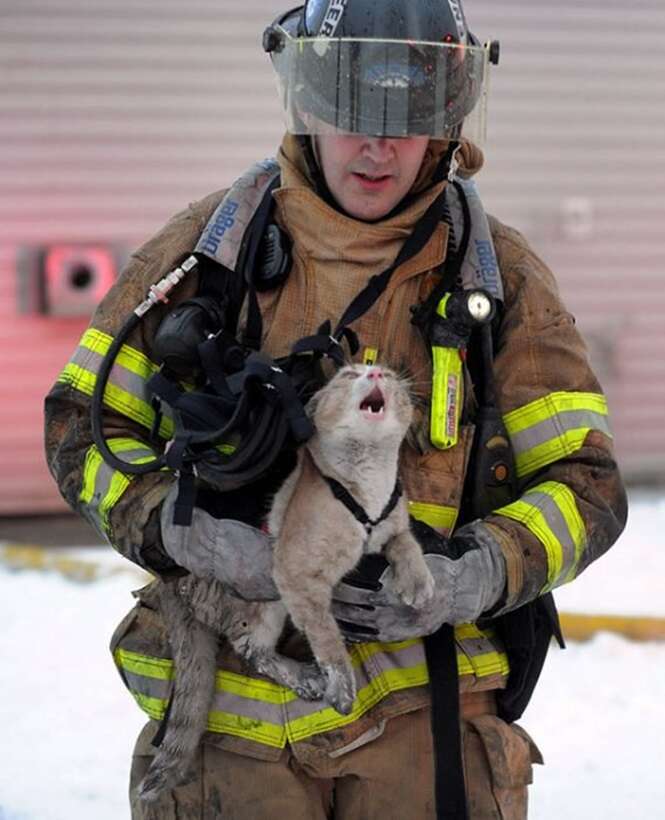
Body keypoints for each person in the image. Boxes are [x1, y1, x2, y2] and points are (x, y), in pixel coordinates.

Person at [44, 1, 627, 818]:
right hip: (230, 734)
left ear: (448, 120)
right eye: (353, 107)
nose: (377, 144)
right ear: (309, 102)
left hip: (424, 732)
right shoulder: (208, 252)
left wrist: (474, 574)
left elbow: (585, 485)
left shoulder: (500, 282)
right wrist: (170, 527)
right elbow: (82, 425)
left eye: (408, 113)